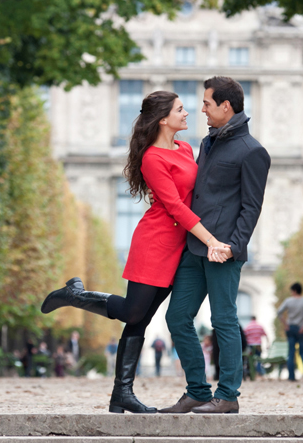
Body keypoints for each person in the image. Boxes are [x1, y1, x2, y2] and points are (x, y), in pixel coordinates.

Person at [42, 91, 226, 413]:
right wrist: (211, 240)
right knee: (131, 312)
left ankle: (121, 395)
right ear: (163, 119)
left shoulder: (184, 148)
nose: (187, 114)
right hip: (155, 243)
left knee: (139, 319)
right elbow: (174, 207)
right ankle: (75, 295)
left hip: (178, 248)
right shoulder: (152, 158)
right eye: (181, 110)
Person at [162, 77, 270, 415]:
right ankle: (197, 390)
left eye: (207, 103)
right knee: (177, 316)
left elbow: (252, 207)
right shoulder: (208, 143)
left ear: (226, 106)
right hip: (195, 247)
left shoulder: (253, 152)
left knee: (224, 320)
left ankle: (228, 396)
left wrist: (233, 247)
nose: (202, 109)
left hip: (223, 251)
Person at [277, 282, 303, 382]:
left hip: (291, 328)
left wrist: (285, 325)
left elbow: (279, 312)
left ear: (294, 291)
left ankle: (292, 376)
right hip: (302, 328)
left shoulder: (288, 301)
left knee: (291, 352)